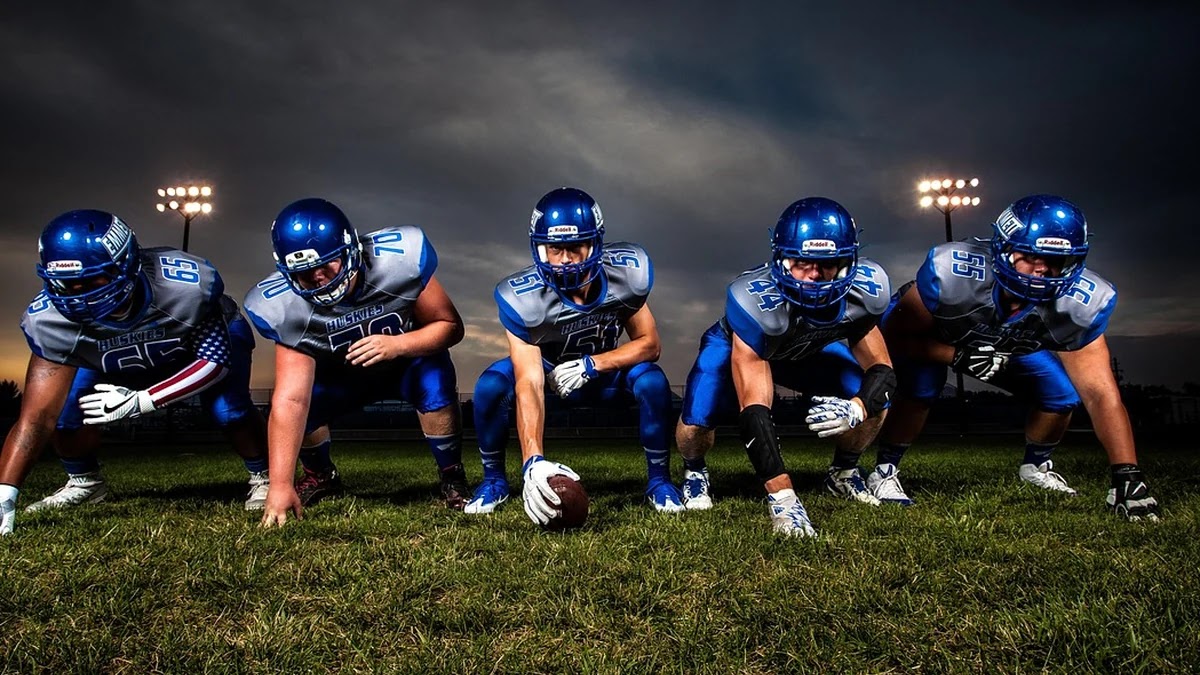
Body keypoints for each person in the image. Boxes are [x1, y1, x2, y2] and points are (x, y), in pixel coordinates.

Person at [868, 194, 1161, 521]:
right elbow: (895, 338)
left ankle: (1035, 466)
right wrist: (957, 355)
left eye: (1055, 261)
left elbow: (1101, 393)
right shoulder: (953, 275)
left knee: (1061, 396)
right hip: (938, 337)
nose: (1042, 270)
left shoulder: (1080, 304)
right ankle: (885, 469)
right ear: (1002, 249)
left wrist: (1127, 474)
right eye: (1030, 255)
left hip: (1008, 344)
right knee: (922, 388)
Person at [0, 210, 270, 535]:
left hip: (191, 349)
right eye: (66, 283)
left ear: (126, 264)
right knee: (65, 412)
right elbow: (36, 418)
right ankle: (85, 483)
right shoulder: (49, 322)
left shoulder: (183, 287)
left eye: (91, 280)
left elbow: (214, 362)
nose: (78, 293)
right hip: (113, 360)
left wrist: (143, 400)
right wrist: (6, 493)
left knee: (229, 410)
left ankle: (263, 474)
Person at [675, 197, 895, 537]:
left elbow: (882, 370)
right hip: (745, 345)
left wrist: (857, 407)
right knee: (696, 420)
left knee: (875, 398)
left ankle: (843, 473)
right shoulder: (753, 301)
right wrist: (784, 498)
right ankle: (694, 471)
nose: (814, 276)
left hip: (808, 351)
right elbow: (755, 410)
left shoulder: (867, 291)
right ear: (780, 260)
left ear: (849, 262)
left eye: (828, 264)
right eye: (801, 263)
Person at [244, 198, 468, 527]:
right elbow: (291, 399)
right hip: (341, 376)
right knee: (299, 404)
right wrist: (279, 485)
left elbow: (450, 327)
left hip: (404, 363)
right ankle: (320, 475)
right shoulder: (283, 307)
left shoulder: (400, 261)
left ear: (350, 249)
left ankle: (452, 474)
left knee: (435, 377)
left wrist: (399, 344)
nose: (319, 277)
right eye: (305, 272)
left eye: (327, 264)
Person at [465, 187, 684, 525]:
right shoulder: (522, 298)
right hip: (549, 373)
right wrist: (533, 461)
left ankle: (659, 480)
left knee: (653, 381)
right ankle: (494, 480)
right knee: (490, 386)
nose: (565, 259)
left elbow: (649, 344)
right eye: (555, 249)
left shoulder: (624, 276)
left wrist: (593, 364)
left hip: (603, 372)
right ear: (540, 248)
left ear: (594, 245)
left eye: (574, 247)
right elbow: (528, 380)